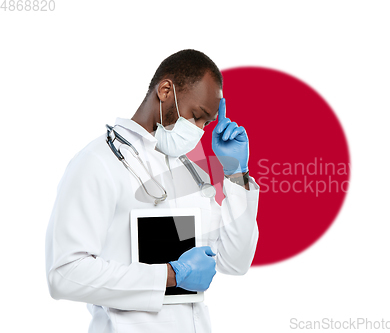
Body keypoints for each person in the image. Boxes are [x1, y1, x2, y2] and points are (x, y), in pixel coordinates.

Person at [45, 49, 260, 333]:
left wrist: (236, 174)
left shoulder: (191, 170)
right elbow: (64, 275)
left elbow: (235, 260)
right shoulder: (98, 162)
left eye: (206, 124)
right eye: (196, 116)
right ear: (165, 90)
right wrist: (170, 275)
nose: (198, 132)